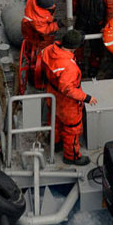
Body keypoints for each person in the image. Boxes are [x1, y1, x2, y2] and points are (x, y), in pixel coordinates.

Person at [40, 29, 97, 165]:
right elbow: (67, 89)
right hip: (67, 104)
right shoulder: (69, 67)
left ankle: (55, 142)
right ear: (75, 47)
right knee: (73, 129)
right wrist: (86, 98)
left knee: (55, 121)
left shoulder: (49, 50)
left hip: (52, 95)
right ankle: (71, 156)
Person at [22, 0, 60, 88]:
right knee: (42, 44)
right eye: (51, 6)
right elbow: (45, 30)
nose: (54, 6)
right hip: (32, 30)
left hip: (33, 24)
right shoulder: (37, 19)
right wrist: (57, 25)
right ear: (43, 8)